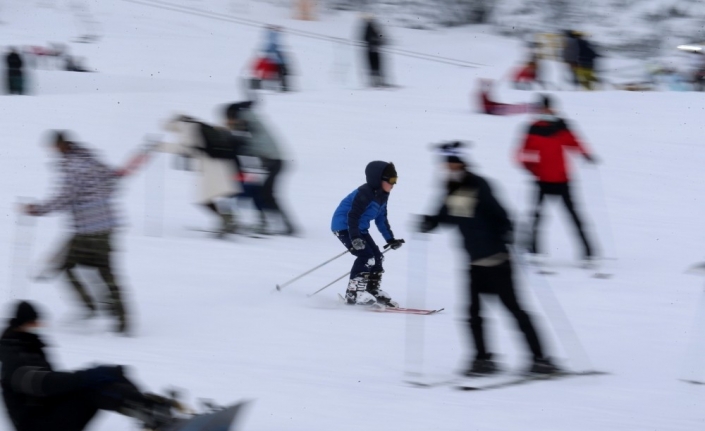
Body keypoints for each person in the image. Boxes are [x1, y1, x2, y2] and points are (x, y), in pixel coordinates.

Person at [418, 142, 558, 376]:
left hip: (497, 260)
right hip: (474, 263)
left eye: (454, 163)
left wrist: (508, 232)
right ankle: (483, 360)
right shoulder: (451, 188)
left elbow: (501, 215)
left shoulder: (478, 185)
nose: (450, 168)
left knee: (514, 310)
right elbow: (447, 217)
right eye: (447, 164)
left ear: (462, 163)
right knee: (472, 313)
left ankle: (540, 360)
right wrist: (429, 223)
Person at [0, 300, 180, 431]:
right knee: (92, 389)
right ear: (22, 324)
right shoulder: (13, 357)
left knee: (103, 380)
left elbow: (54, 386)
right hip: (35, 424)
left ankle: (149, 409)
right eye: (34, 322)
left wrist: (90, 376)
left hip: (46, 413)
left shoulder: (30, 346)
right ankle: (152, 414)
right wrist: (86, 376)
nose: (38, 326)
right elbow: (44, 384)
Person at [22, 131, 130, 334]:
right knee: (106, 272)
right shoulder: (91, 158)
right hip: (107, 225)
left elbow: (64, 198)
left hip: (87, 230)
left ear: (60, 145)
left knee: (64, 265)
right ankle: (123, 320)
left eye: (54, 148)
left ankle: (89, 306)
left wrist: (37, 209)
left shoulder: (73, 167)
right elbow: (112, 179)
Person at [516, 95, 597, 262]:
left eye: (547, 108)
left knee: (574, 216)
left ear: (552, 108)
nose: (544, 111)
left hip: (562, 180)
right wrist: (530, 167)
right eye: (541, 108)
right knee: (536, 217)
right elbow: (521, 152)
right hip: (541, 180)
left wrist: (586, 154)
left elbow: (574, 142)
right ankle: (534, 250)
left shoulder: (562, 126)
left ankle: (588, 253)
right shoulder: (532, 128)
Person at [331, 161, 404, 307]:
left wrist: (390, 239)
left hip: (359, 229)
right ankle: (353, 294)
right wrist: (355, 237)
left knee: (377, 257)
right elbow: (353, 216)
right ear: (378, 179)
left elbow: (381, 219)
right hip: (344, 227)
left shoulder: (383, 195)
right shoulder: (365, 193)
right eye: (391, 180)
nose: (393, 184)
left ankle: (372, 290)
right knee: (366, 256)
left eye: (395, 180)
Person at [157, 115, 242, 236]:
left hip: (211, 166)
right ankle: (228, 220)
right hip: (219, 164)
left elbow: (185, 149)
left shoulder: (186, 127)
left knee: (204, 198)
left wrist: (160, 146)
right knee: (210, 196)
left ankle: (228, 221)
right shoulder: (198, 125)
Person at [225, 102, 297, 236]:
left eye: (230, 118)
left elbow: (246, 142)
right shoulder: (250, 122)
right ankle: (284, 225)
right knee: (265, 194)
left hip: (275, 162)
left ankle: (287, 226)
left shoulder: (248, 120)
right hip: (274, 162)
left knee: (266, 195)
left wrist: (231, 137)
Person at [360, 14, 386, 87]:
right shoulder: (368, 28)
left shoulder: (374, 28)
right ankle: (375, 82)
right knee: (374, 67)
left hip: (375, 50)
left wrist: (379, 41)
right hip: (371, 50)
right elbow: (365, 38)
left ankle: (378, 82)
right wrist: (374, 40)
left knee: (376, 66)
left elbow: (380, 36)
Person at [262, 25, 289, 92]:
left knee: (277, 74)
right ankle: (280, 86)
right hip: (275, 61)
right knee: (278, 74)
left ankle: (280, 86)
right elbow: (272, 41)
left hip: (276, 61)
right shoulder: (273, 45)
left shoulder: (274, 45)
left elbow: (272, 40)